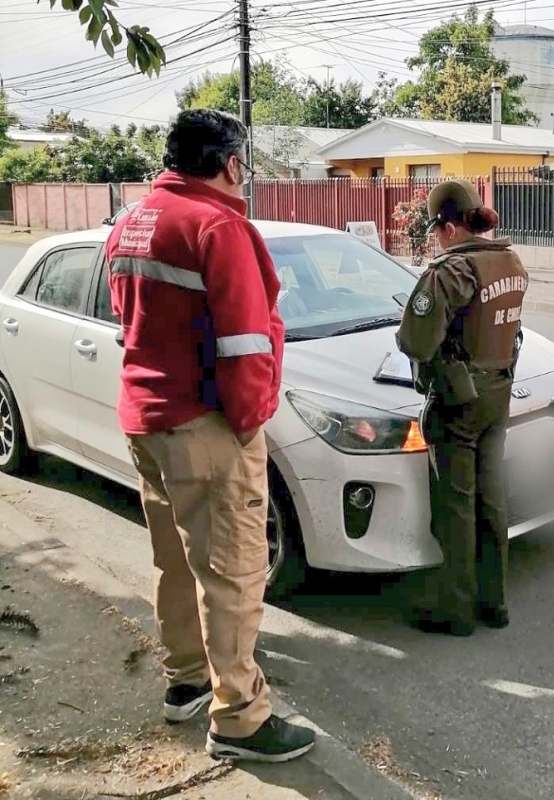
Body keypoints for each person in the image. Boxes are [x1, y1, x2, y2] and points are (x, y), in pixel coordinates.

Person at [105, 109, 315, 762]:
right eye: (243, 164)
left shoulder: (132, 222)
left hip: (146, 420)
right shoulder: (220, 226)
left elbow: (126, 314)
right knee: (232, 573)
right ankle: (240, 719)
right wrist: (250, 425)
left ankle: (186, 682)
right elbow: (249, 344)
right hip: (205, 426)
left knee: (175, 560)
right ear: (229, 163)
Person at [397, 179, 528, 637]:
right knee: (492, 501)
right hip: (498, 396)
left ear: (450, 228)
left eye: (436, 230)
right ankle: (494, 602)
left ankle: (456, 610)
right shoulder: (509, 261)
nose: (435, 238)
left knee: (456, 506)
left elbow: (414, 339)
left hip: (458, 401)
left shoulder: (450, 272)